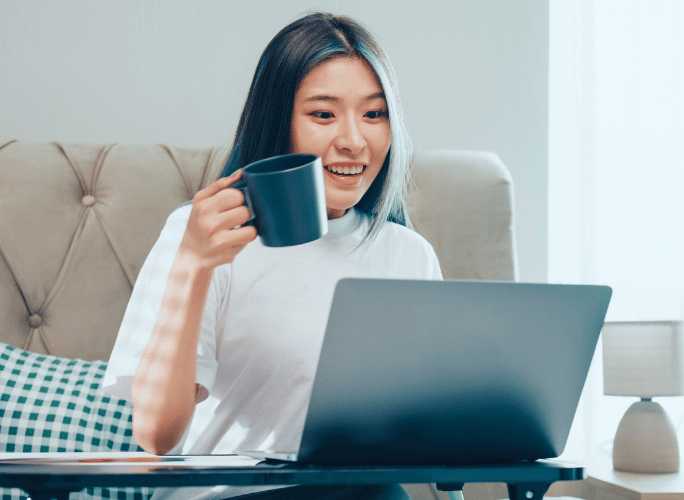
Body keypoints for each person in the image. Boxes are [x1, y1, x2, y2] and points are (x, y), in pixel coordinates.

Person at [103, 11, 442, 500]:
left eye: (374, 113)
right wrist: (194, 267)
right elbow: (156, 436)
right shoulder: (202, 236)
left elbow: (427, 428)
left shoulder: (409, 254)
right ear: (277, 122)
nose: (353, 140)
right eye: (323, 114)